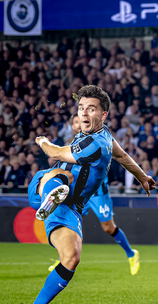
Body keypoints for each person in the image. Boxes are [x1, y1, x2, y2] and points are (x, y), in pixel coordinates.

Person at [24, 85, 156, 304]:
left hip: (70, 209)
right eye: (81, 108)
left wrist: (142, 176)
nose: (84, 113)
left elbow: (123, 155)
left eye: (90, 109)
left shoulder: (103, 138)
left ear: (103, 115)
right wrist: (43, 142)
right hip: (44, 183)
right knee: (64, 175)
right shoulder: (93, 141)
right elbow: (53, 153)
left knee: (71, 259)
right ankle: (52, 193)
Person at [49, 113, 141, 275]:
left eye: (81, 121)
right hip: (79, 193)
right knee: (69, 223)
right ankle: (64, 257)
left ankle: (131, 254)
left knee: (108, 227)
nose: (79, 124)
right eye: (76, 122)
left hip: (97, 192)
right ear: (72, 126)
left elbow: (113, 157)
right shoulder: (69, 146)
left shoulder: (98, 139)